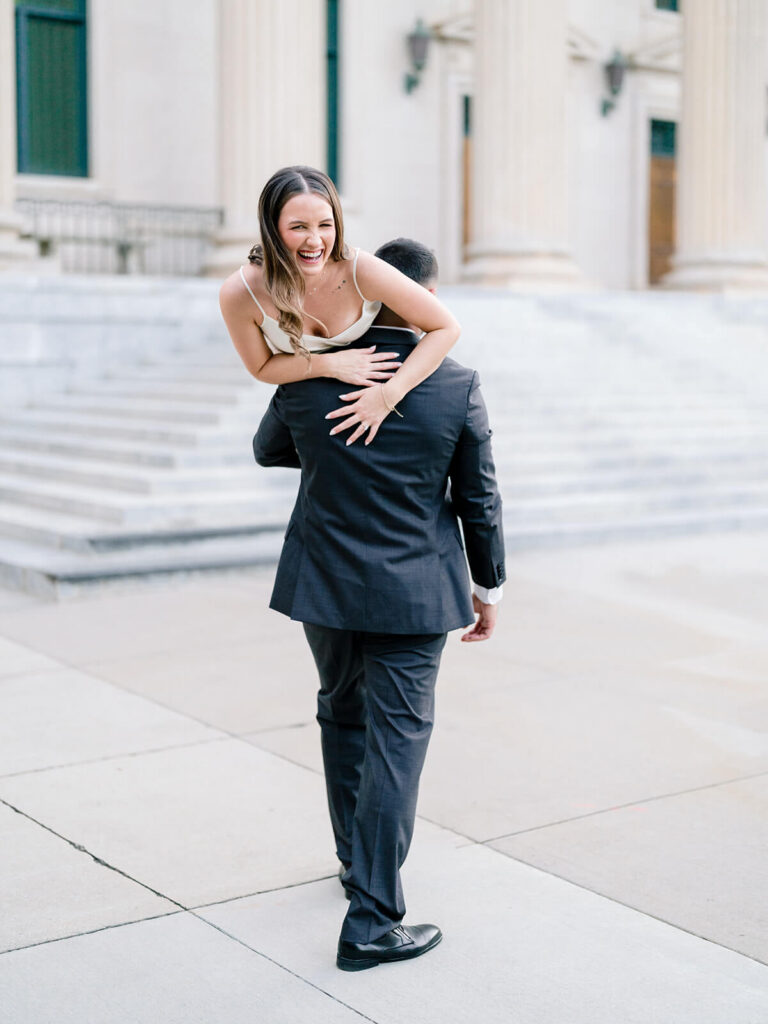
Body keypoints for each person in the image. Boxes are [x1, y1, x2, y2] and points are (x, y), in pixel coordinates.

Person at [253, 238, 505, 971]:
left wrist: (335, 451)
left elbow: (270, 449)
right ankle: (371, 919)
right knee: (396, 744)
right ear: (423, 294)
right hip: (415, 590)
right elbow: (478, 497)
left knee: (341, 712)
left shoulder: (311, 370)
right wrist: (486, 587)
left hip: (323, 583)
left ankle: (352, 864)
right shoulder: (454, 383)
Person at [219, 166, 461, 446]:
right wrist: (329, 364)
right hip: (305, 399)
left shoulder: (362, 270)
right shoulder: (240, 293)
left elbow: (447, 327)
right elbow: (261, 367)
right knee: (266, 448)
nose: (315, 240)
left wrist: (388, 395)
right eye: (299, 227)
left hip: (372, 393)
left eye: (325, 225)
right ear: (272, 229)